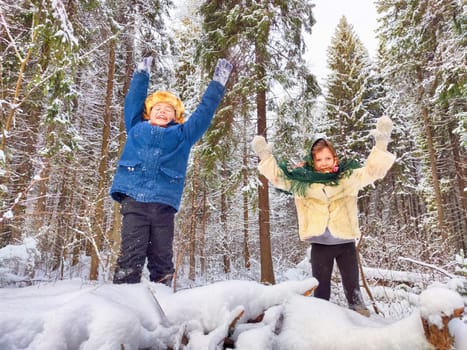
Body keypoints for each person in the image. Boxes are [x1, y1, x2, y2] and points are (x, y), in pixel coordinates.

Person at [251, 116, 396, 316]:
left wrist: (381, 143)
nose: (324, 163)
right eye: (319, 160)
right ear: (313, 161)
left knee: (354, 293)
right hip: (320, 246)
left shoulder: (347, 179)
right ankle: (321, 327)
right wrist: (265, 155)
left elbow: (372, 172)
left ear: (334, 158)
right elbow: (279, 178)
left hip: (346, 244)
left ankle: (362, 327)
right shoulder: (303, 184)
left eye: (328, 158)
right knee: (321, 294)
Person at [110, 56, 233, 285]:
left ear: (176, 116)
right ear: (148, 112)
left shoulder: (183, 136)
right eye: (158, 107)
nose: (163, 111)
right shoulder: (136, 127)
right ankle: (125, 307)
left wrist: (218, 83)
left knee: (162, 261)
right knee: (130, 258)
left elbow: (204, 114)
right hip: (134, 202)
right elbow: (133, 100)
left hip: (163, 207)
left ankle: (163, 302)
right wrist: (141, 74)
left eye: (169, 110)